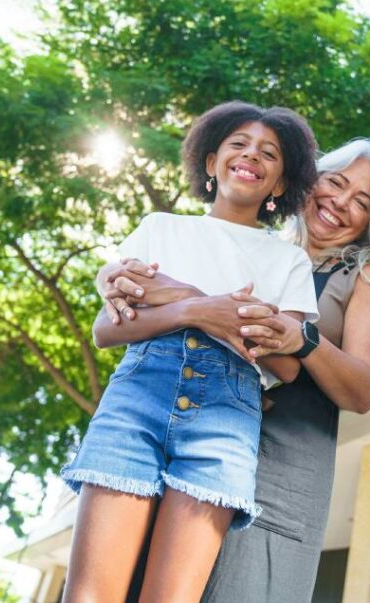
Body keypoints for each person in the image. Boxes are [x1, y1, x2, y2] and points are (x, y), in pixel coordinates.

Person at [98, 139, 370, 602]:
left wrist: (304, 340)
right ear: (309, 181)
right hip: (198, 439)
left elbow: (363, 390)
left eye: (362, 203)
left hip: (280, 469)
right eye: (335, 183)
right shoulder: (258, 249)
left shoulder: (363, 278)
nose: (340, 203)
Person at [61, 101, 320, 603]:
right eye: (238, 145)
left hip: (226, 417)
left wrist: (174, 292)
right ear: (210, 161)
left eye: (269, 154)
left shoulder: (289, 260)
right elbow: (106, 329)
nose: (251, 156)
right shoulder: (160, 228)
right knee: (88, 596)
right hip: (136, 399)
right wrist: (199, 309)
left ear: (280, 185)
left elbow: (288, 364)